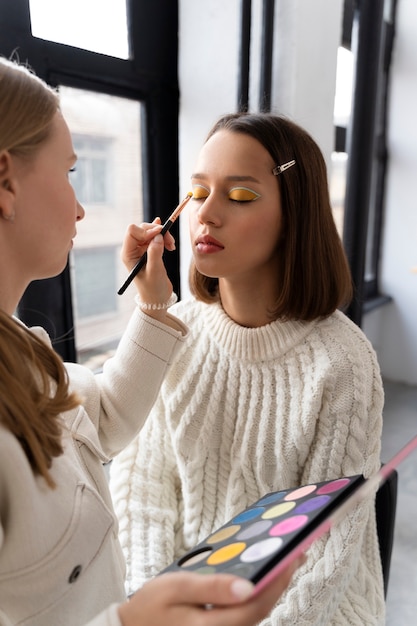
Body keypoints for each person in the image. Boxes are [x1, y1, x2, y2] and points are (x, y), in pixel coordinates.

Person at [0, 58, 302, 626]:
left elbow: (105, 416)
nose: (81, 206)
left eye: (240, 194)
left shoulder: (24, 351)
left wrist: (151, 303)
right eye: (70, 172)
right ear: (5, 181)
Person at [110, 112, 386, 625]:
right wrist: (157, 606)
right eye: (197, 193)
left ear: (295, 217)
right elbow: (143, 490)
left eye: (240, 197)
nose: (206, 214)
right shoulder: (174, 334)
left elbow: (328, 550)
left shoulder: (343, 362)